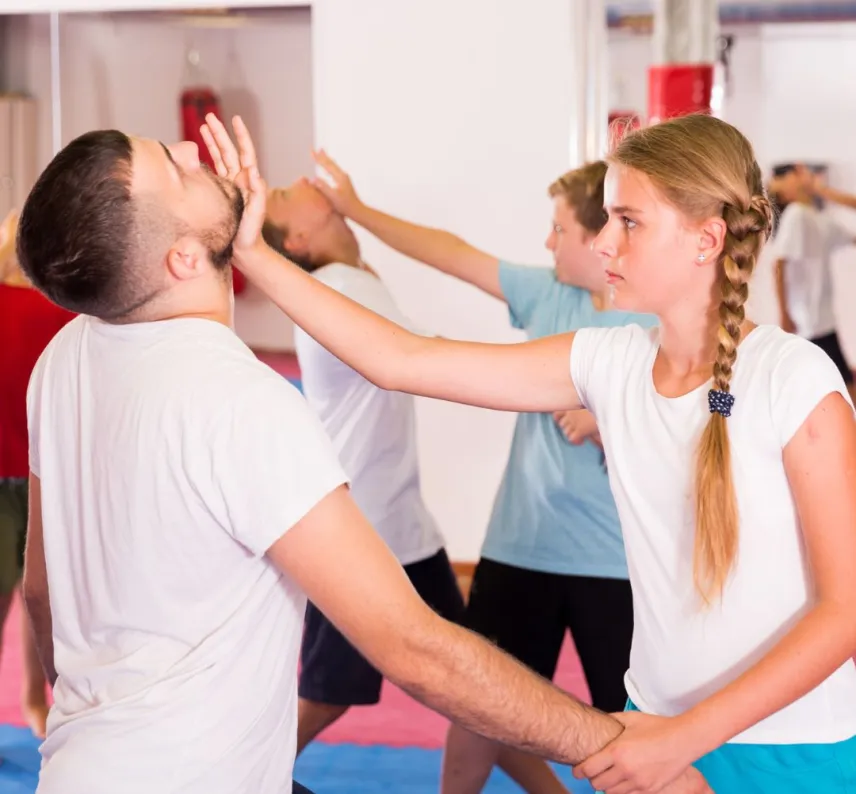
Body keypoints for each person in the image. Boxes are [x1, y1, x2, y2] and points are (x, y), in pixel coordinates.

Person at [15, 127, 711, 794]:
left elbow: (41, 593)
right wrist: (610, 745)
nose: (196, 148)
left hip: (81, 770)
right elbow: (416, 651)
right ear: (183, 259)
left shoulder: (65, 358)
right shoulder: (239, 402)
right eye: (175, 166)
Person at [218, 110, 856, 794]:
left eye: (629, 222)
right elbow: (403, 359)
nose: (604, 242)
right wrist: (253, 254)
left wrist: (686, 738)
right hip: (655, 727)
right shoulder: (608, 362)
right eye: (606, 218)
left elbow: (845, 611)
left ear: (706, 238)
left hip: (787, 748)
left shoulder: (793, 377)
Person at [305, 153, 656, 794]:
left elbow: (694, 432)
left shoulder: (651, 319)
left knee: (625, 724)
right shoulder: (547, 292)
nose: (548, 242)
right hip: (519, 549)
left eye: (559, 229)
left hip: (615, 562)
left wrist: (607, 421)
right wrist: (357, 210)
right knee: (479, 710)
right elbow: (450, 252)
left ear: (597, 233)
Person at [261, 187, 468, 757]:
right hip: (362, 533)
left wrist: (349, 207)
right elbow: (420, 357)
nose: (297, 183)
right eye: (284, 195)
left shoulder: (353, 277)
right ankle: (242, 778)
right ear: (299, 239)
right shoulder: (338, 287)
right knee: (331, 695)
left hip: (396, 524)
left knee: (476, 685)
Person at [0, 208, 74, 742]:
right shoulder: (64, 316)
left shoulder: (62, 317)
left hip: (39, 478)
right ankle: (34, 696)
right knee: (38, 593)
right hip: (41, 479)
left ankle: (34, 696)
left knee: (37, 593)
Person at [768, 164, 856, 398]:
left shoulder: (817, 218)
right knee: (833, 389)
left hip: (824, 321)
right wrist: (784, 313)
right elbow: (778, 264)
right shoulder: (796, 214)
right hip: (807, 322)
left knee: (841, 386)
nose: (803, 175)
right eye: (795, 174)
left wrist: (822, 190)